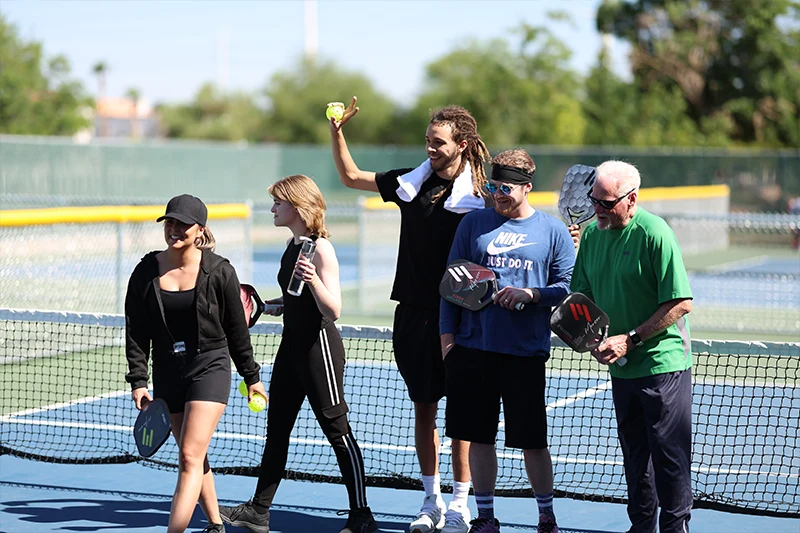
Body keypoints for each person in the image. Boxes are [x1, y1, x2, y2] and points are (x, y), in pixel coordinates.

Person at [331, 98, 491, 533]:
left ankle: (461, 504)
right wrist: (337, 130)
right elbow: (350, 176)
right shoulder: (410, 183)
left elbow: (519, 229)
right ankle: (431, 502)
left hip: (462, 315)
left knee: (461, 412)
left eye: (438, 142)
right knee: (423, 408)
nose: (430, 148)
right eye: (427, 140)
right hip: (415, 317)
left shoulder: (482, 195)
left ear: (463, 143)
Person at [218, 174, 377, 533]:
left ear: (298, 205)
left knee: (338, 431)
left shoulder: (321, 249)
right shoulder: (293, 245)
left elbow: (333, 309)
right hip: (290, 349)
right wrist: (274, 305)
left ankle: (362, 516)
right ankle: (258, 511)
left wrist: (314, 280)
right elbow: (296, 299)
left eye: (279, 201)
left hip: (318, 349)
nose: (273, 207)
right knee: (277, 431)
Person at [439, 149, 574, 533]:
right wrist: (448, 342)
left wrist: (532, 296)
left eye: (507, 187)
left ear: (527, 187)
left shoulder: (553, 231)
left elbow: (567, 288)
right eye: (493, 186)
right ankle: (485, 517)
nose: (498, 193)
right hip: (472, 351)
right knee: (478, 438)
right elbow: (451, 285)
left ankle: (545, 516)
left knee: (532, 441)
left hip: (524, 354)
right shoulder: (473, 225)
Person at [125, 194, 267, 533]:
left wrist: (252, 378)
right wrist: (139, 381)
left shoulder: (219, 271)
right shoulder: (145, 272)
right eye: (169, 223)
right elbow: (136, 331)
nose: (174, 229)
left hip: (210, 365)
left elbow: (237, 331)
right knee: (195, 455)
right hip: (168, 372)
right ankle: (216, 524)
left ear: (199, 229)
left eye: (182, 224)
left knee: (188, 456)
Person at [570, 160, 694, 533]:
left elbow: (681, 303)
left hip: (662, 365)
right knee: (635, 458)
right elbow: (582, 297)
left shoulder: (656, 233)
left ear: (632, 199)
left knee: (669, 458)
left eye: (606, 203)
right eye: (594, 201)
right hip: (621, 368)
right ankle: (641, 527)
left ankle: (675, 528)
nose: (597, 209)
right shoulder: (592, 235)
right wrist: (592, 339)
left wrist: (631, 339)